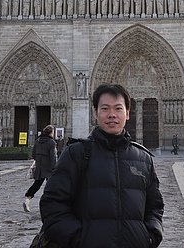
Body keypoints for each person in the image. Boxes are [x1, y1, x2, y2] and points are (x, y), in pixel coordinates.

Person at [40, 83, 164, 248]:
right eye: (105, 108)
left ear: (127, 113)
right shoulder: (75, 154)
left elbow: (155, 207)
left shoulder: (144, 159)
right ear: (95, 113)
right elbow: (52, 205)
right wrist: (79, 240)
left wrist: (150, 236)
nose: (112, 114)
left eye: (118, 108)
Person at [24, 125, 57, 213]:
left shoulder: (37, 141)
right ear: (50, 133)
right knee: (51, 186)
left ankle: (27, 200)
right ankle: (49, 205)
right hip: (49, 168)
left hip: (39, 167)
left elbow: (33, 154)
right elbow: (53, 157)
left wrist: (39, 160)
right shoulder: (51, 142)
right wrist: (55, 168)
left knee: (36, 185)